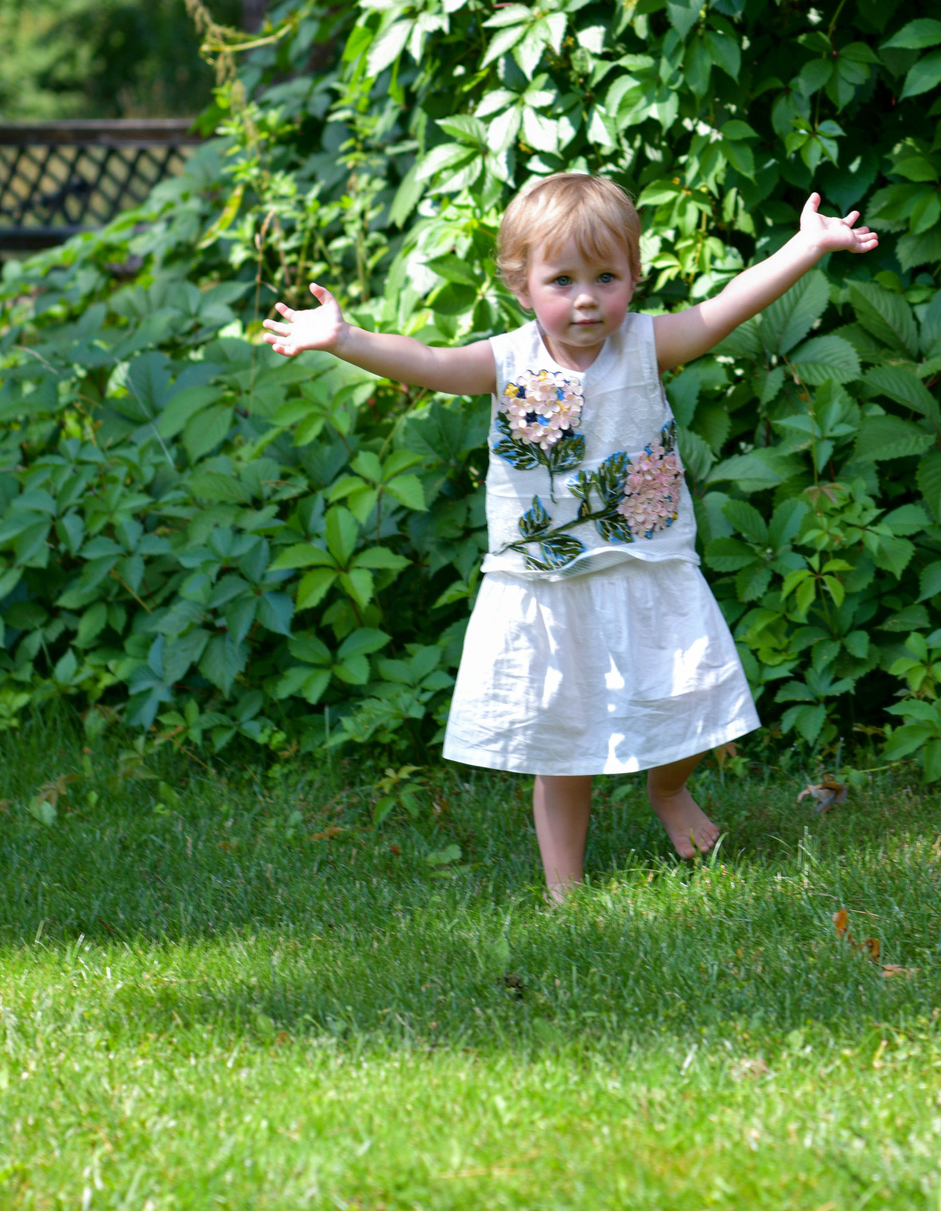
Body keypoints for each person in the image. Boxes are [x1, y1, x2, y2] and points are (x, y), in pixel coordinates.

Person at [261, 172, 879, 900]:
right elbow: (425, 362)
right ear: (522, 286)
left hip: (647, 565)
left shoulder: (647, 344)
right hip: (547, 583)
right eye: (563, 279)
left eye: (606, 276)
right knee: (563, 744)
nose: (587, 297)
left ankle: (669, 791)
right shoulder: (504, 361)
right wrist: (345, 338)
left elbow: (724, 307)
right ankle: (565, 889)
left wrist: (805, 248)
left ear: (633, 278)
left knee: (688, 701)